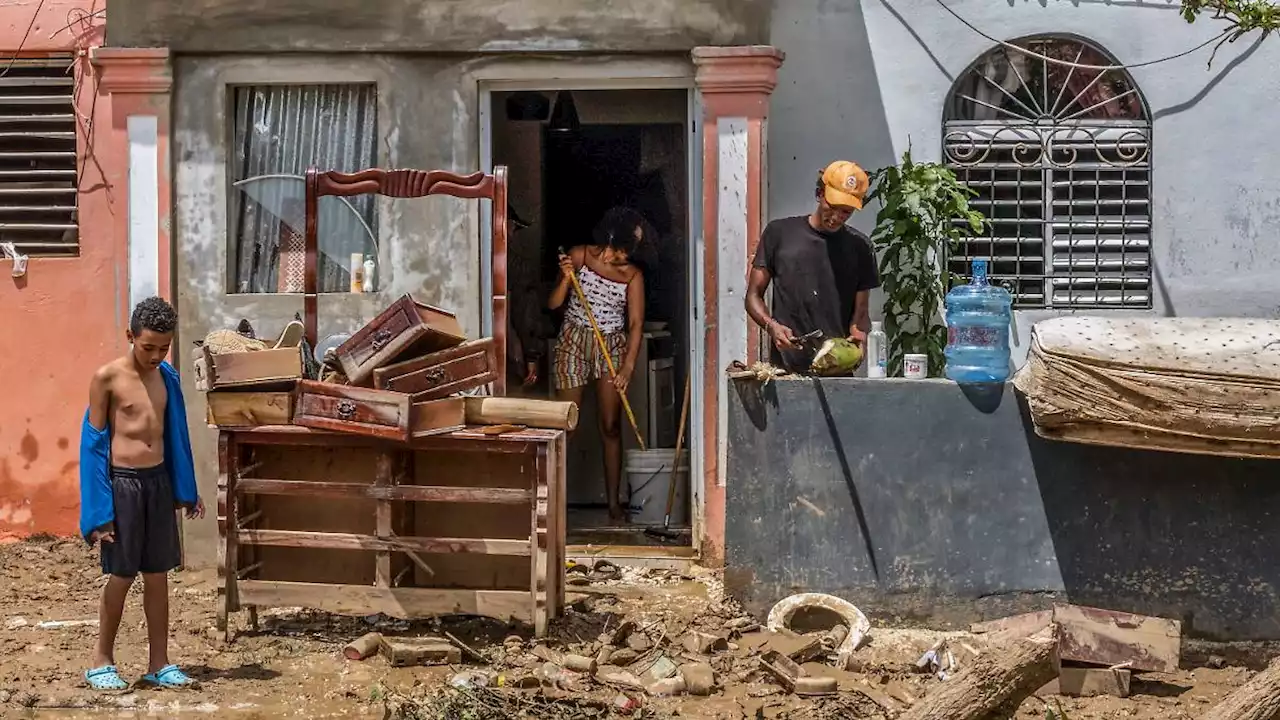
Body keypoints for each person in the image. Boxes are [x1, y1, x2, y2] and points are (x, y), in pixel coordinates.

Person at [80, 296, 205, 691]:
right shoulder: (107, 378)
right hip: (123, 487)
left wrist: (186, 489)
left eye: (163, 348)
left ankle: (159, 662)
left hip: (158, 484)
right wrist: (99, 513)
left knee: (158, 575)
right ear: (130, 335)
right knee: (121, 573)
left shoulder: (166, 377)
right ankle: (102, 661)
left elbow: (176, 436)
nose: (155, 355)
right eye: (147, 346)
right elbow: (93, 445)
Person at [548, 207, 647, 524]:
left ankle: (614, 504)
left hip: (611, 347)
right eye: (626, 248)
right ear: (612, 240)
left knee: (611, 426)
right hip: (573, 343)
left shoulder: (633, 276)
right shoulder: (579, 256)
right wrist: (567, 279)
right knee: (566, 426)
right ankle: (551, 503)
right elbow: (553, 304)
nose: (627, 255)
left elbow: (635, 324)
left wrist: (628, 368)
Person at [746, 160, 880, 374]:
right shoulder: (779, 233)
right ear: (819, 194)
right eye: (832, 206)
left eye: (846, 211)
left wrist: (859, 338)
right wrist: (771, 326)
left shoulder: (860, 247)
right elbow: (753, 296)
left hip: (836, 370)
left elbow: (861, 312)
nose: (836, 217)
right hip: (785, 370)